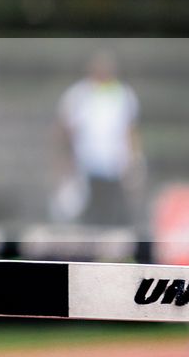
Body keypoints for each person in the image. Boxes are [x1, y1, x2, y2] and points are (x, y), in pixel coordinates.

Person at [52, 50, 144, 229]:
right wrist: (64, 160)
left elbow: (130, 131)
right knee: (88, 215)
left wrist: (134, 159)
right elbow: (64, 129)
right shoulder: (78, 94)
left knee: (114, 214)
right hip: (86, 167)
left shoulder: (123, 94)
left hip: (115, 166)